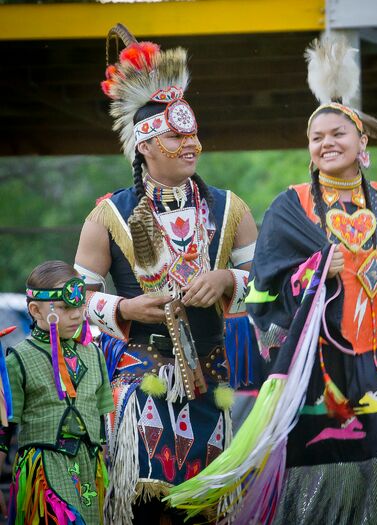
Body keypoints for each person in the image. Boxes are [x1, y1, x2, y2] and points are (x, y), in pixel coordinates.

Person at [165, 34, 377, 525]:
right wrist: (311, 273)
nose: (327, 143)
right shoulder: (290, 207)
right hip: (321, 368)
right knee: (322, 476)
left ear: (362, 143)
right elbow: (262, 288)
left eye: (338, 134)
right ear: (309, 151)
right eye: (317, 138)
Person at [74, 25, 257, 524]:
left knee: (207, 507)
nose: (191, 143)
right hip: (140, 379)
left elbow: (268, 284)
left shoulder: (230, 208)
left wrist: (226, 283)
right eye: (177, 135)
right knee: (146, 508)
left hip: (212, 381)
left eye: (193, 132)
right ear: (145, 147)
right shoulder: (108, 214)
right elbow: (73, 299)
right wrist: (124, 308)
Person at [0, 260, 114, 524]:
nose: (76, 314)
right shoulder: (18, 358)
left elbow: (103, 419)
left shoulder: (95, 355)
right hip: (43, 469)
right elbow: (4, 429)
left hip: (89, 469)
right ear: (36, 310)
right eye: (64, 307)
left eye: (79, 306)